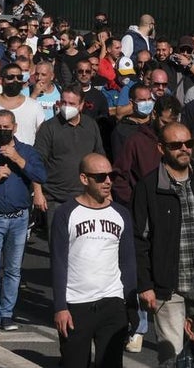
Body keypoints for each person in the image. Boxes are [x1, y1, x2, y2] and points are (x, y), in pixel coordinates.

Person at [132, 122, 194, 361]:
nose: (184, 149)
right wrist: (145, 285)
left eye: (187, 143)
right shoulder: (148, 187)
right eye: (176, 145)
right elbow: (139, 240)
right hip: (169, 288)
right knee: (171, 355)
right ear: (161, 149)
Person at [50, 153, 137, 368]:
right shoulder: (66, 213)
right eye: (100, 177)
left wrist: (132, 307)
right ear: (83, 178)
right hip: (76, 305)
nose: (108, 181)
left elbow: (128, 262)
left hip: (113, 302)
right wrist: (60, 307)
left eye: (111, 175)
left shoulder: (121, 214)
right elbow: (58, 262)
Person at [0, 109, 47, 336]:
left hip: (19, 219)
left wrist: (17, 159)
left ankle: (6, 314)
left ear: (14, 127)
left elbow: (40, 176)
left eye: (6, 126)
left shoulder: (27, 151)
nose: (2, 130)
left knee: (13, 270)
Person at [34, 86, 105, 231]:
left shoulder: (91, 125)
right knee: (58, 246)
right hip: (55, 197)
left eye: (72, 104)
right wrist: (38, 193)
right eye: (63, 102)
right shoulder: (49, 127)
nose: (66, 107)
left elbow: (100, 159)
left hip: (86, 196)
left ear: (81, 105)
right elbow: (37, 162)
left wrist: (104, 192)